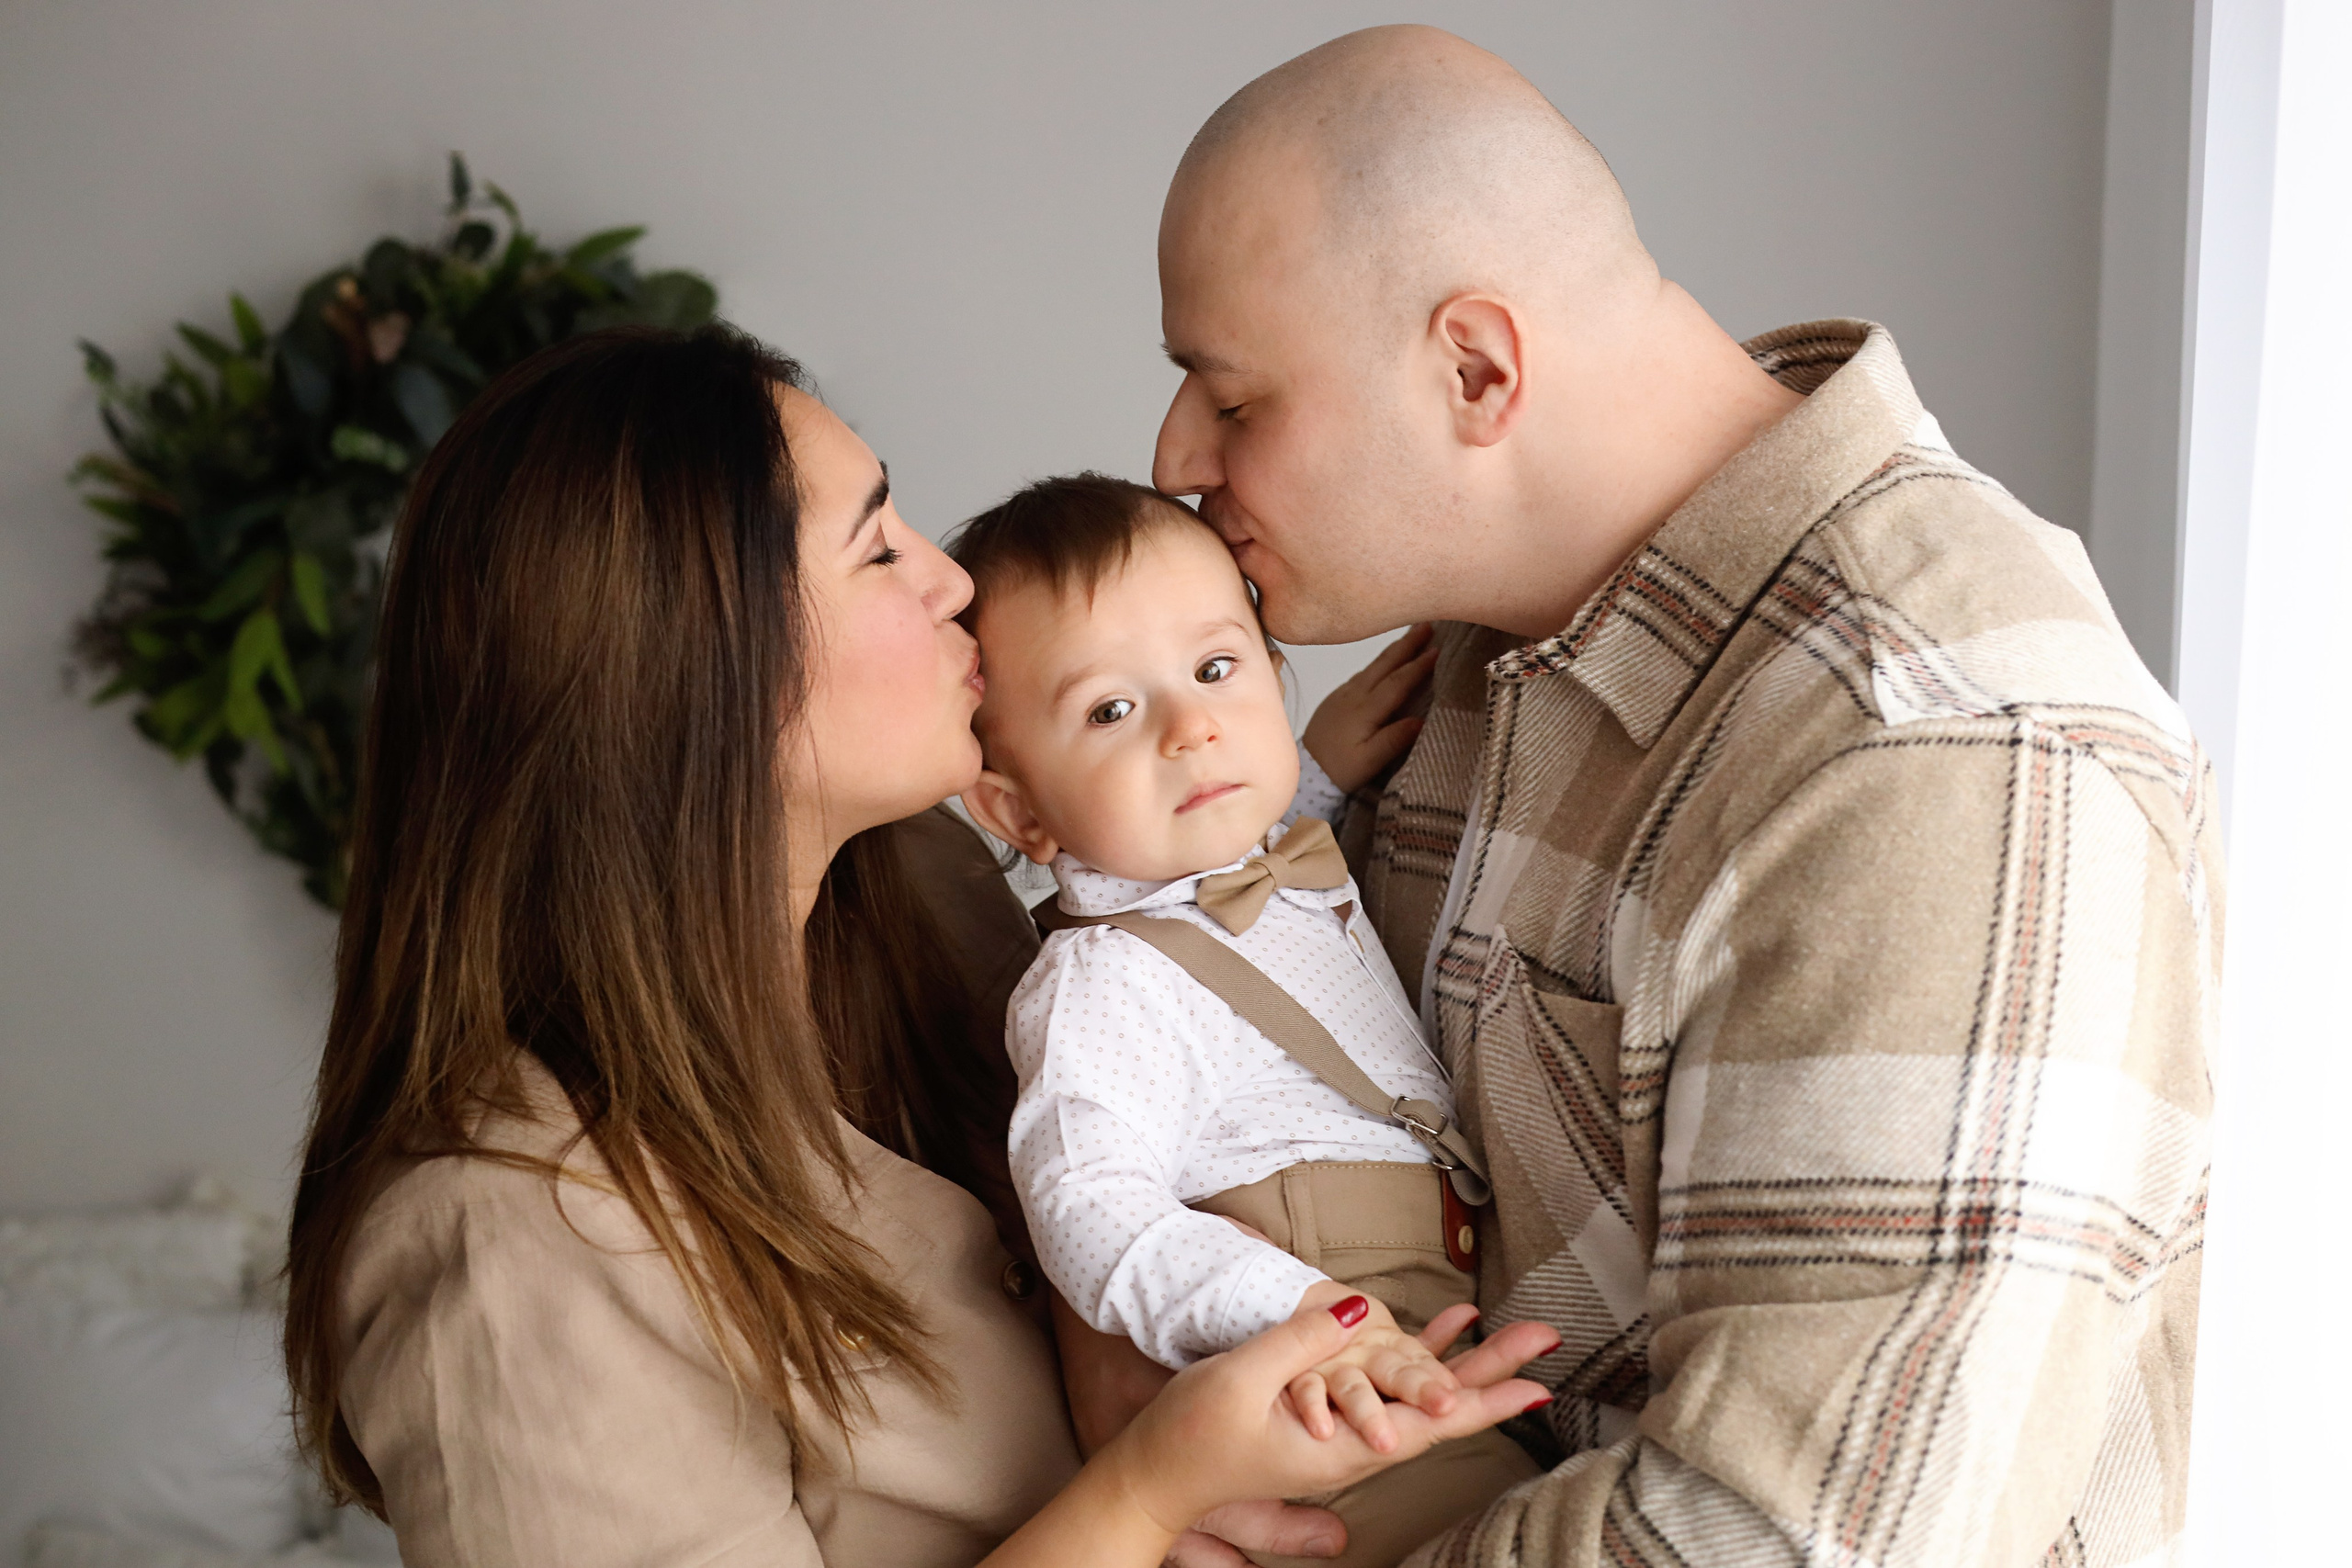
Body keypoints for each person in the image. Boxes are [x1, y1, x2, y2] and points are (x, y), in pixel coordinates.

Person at [1145, 26, 2220, 1568]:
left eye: (1228, 397)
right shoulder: (1472, 642)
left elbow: (1791, 1539)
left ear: (1475, 368)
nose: (1173, 456)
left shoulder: (1937, 752)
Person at [278, 325, 1554, 1568]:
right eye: (878, 548)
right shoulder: (509, 1245)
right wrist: (1147, 1493)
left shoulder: (925, 890)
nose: (948, 579)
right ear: (701, 676)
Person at [950, 474, 1538, 1567]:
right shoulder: (1099, 985)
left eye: (1218, 670)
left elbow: (1231, 905)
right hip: (1311, 1347)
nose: (1193, 729)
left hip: (1423, 1301)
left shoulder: (1256, 855)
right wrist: (1300, 1309)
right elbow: (1090, 1211)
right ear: (1020, 810)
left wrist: (1309, 773)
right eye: (1110, 711)